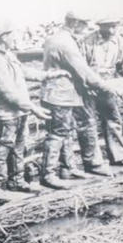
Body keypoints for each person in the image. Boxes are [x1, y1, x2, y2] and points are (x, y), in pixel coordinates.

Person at [0, 21, 53, 203]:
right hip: (6, 114)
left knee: (18, 147)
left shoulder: (7, 54)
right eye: (12, 35)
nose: (14, 38)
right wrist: (34, 108)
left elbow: (24, 72)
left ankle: (16, 181)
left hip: (19, 112)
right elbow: (8, 93)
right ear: (4, 37)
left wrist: (48, 75)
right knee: (2, 149)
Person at [39, 10, 111, 188]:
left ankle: (68, 169)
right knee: (57, 134)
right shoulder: (65, 43)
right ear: (76, 23)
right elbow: (83, 70)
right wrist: (106, 87)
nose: (87, 27)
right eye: (85, 23)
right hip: (59, 95)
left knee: (67, 131)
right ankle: (48, 175)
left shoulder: (58, 38)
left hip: (62, 93)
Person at [82, 17, 123, 167]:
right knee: (89, 122)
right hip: (90, 86)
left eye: (114, 26)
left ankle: (119, 157)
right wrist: (87, 85)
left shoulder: (119, 41)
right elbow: (80, 67)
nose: (111, 30)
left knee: (113, 119)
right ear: (100, 26)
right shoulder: (87, 42)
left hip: (108, 84)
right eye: (107, 27)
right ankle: (94, 162)